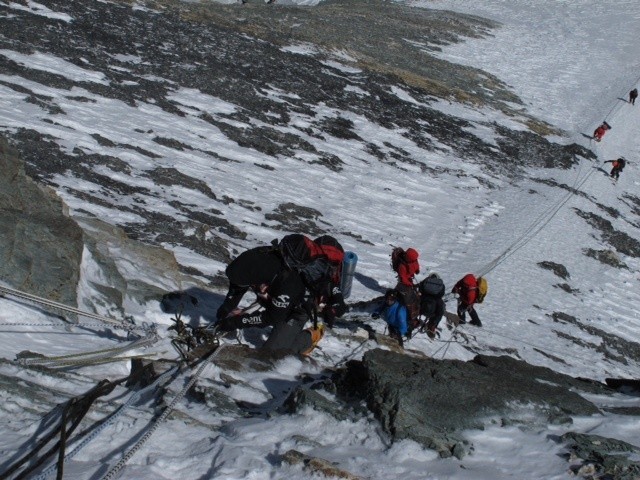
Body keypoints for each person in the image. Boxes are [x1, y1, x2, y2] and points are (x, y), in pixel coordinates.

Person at [215, 244, 333, 356]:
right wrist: (227, 307)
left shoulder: (287, 285)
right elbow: (238, 286)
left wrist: (237, 322)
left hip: (297, 308)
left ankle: (311, 336)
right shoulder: (252, 264)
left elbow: (272, 317)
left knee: (273, 354)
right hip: (273, 298)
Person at [418, 273, 446, 339]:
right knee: (440, 312)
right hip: (436, 300)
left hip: (424, 299)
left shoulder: (426, 281)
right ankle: (432, 325)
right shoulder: (440, 283)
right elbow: (442, 293)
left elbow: (420, 288)